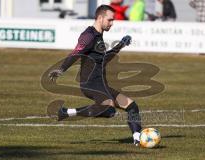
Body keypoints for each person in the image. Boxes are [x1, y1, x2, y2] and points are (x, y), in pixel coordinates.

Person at [49, 5, 142, 146]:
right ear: (100, 18)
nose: (112, 23)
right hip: (90, 83)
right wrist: (61, 69)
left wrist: (120, 45)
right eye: (110, 20)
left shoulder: (98, 36)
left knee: (132, 107)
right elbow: (76, 52)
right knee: (109, 109)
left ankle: (137, 139)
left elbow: (103, 60)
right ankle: (67, 112)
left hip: (101, 83)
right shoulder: (89, 35)